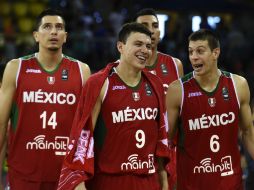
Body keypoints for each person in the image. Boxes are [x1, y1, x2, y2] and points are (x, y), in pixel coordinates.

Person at [57, 22, 170, 190]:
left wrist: (164, 182)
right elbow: (83, 136)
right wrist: (79, 182)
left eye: (148, 46)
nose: (145, 50)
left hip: (148, 180)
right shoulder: (100, 83)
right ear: (120, 47)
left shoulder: (155, 84)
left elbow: (161, 141)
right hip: (109, 181)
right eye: (138, 44)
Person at [0, 8, 91, 190]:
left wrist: (83, 174)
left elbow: (87, 130)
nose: (53, 32)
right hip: (23, 175)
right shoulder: (16, 68)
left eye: (58, 27)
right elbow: (1, 125)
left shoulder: (82, 71)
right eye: (47, 27)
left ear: (65, 36)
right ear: (36, 35)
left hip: (66, 176)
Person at [166, 28, 254, 190]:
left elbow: (248, 131)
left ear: (216, 53)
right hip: (192, 182)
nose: (193, 57)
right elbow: (169, 139)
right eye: (191, 51)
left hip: (230, 180)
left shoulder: (238, 85)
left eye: (200, 51)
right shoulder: (177, 90)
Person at [133, 8, 184, 190]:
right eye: (144, 26)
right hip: (137, 151)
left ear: (160, 32)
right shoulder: (123, 68)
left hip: (170, 151)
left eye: (155, 26)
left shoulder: (175, 65)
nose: (151, 30)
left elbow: (182, 113)